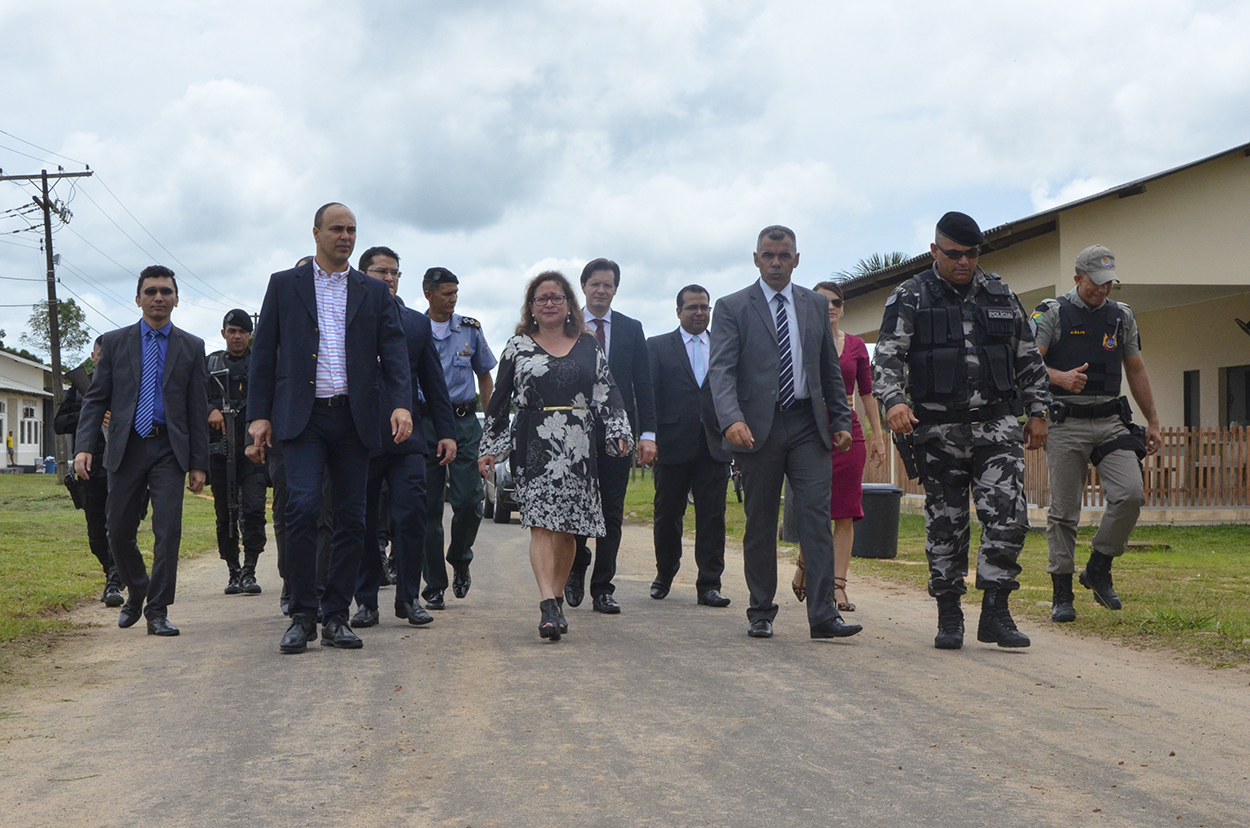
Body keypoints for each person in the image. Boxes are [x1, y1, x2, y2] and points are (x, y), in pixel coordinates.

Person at [873, 211, 1050, 650]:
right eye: (954, 254)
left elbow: (1028, 357)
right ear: (935, 250)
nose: (964, 262)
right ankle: (949, 613)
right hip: (939, 431)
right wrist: (894, 402)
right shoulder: (911, 296)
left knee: (1009, 517)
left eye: (971, 253)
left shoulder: (1000, 293)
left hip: (996, 427)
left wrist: (1039, 410)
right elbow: (888, 358)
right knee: (946, 526)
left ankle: (996, 612)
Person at [248, 203, 413, 654]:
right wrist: (259, 415)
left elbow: (394, 352)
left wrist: (401, 405)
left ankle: (337, 616)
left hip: (355, 417)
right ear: (316, 232)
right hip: (303, 418)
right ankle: (303, 615)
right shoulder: (285, 285)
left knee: (353, 518)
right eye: (337, 228)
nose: (345, 236)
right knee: (302, 509)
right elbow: (264, 353)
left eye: (352, 230)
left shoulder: (372, 291)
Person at [707, 225, 862, 641]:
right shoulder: (732, 307)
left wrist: (841, 421)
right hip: (757, 430)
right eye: (768, 255)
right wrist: (731, 419)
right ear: (756, 259)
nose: (776, 263)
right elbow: (721, 371)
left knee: (816, 517)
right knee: (760, 521)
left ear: (796, 259)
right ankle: (761, 611)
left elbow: (828, 369)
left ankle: (823, 615)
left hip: (809, 425)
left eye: (784, 255)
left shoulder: (815, 304)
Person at [479, 272, 634, 641]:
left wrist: (618, 430)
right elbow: (499, 400)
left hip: (578, 446)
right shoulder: (517, 346)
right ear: (531, 307)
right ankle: (547, 604)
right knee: (541, 525)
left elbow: (607, 391)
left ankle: (558, 597)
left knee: (567, 530)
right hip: (533, 443)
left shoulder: (588, 344)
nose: (549, 303)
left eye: (556, 297)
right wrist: (490, 448)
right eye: (541, 298)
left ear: (569, 304)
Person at [73, 265, 210, 637]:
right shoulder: (115, 343)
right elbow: (95, 399)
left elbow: (197, 407)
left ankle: (158, 610)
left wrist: (199, 463)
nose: (158, 298)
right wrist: (83, 447)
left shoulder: (191, 346)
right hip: (126, 446)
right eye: (151, 291)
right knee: (117, 530)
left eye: (166, 291)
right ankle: (137, 587)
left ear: (176, 299)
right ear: (138, 299)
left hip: (169, 449)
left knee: (168, 531)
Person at [1033, 244, 1162, 621]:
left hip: (1110, 420)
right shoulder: (1052, 313)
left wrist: (1153, 420)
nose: (1103, 290)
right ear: (1078, 278)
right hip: (1065, 421)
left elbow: (1135, 369)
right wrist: (1059, 379)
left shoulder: (1121, 316)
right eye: (1096, 282)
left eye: (1109, 283)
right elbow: (1026, 364)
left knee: (1130, 494)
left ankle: (1099, 567)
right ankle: (1062, 592)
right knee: (1064, 511)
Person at [349, 246, 457, 629]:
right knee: (361, 520)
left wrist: (447, 432)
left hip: (407, 440)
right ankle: (366, 601)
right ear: (361, 276)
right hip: (359, 438)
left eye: (394, 272)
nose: (389, 278)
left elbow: (434, 383)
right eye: (381, 272)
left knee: (411, 514)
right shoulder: (346, 320)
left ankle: (409, 597)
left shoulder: (415, 324)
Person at [566, 258, 657, 614]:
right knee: (576, 505)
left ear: (615, 289)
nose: (601, 290)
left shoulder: (632, 329)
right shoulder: (568, 326)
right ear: (584, 286)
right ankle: (576, 563)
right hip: (574, 429)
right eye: (595, 284)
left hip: (617, 431)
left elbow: (643, 385)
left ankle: (603, 586)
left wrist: (647, 433)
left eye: (608, 285)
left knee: (611, 510)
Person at [791, 281, 887, 611]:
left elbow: (867, 394)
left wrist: (878, 436)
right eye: (822, 302)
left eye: (835, 302)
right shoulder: (800, 341)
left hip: (848, 433)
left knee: (845, 512)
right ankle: (804, 564)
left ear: (843, 308)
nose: (829, 307)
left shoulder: (857, 346)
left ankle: (838, 586)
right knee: (813, 507)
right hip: (808, 432)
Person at [646, 284, 732, 608]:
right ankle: (665, 573)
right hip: (671, 443)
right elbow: (649, 395)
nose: (699, 313)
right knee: (668, 514)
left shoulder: (724, 345)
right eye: (692, 307)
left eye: (704, 307)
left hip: (714, 443)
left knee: (713, 516)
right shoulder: (657, 347)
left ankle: (709, 584)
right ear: (678, 311)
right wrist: (649, 437)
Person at [420, 266, 496, 609]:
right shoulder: (413, 329)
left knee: (468, 501)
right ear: (428, 294)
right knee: (428, 508)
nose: (452, 299)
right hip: (426, 424)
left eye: (455, 293)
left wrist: (492, 424)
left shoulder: (469, 329)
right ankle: (434, 584)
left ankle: (460, 558)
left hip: (464, 423)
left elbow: (485, 376)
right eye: (446, 293)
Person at [54, 337, 123, 607]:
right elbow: (60, 423)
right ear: (93, 357)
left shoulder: (128, 384)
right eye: (100, 355)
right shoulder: (80, 389)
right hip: (91, 470)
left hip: (122, 468)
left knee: (118, 528)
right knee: (96, 536)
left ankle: (114, 581)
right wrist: (91, 412)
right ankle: (115, 575)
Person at [207, 309, 267, 596]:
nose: (237, 336)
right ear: (223, 334)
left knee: (254, 508)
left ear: (250, 334)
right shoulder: (211, 363)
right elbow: (194, 395)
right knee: (225, 513)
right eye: (232, 331)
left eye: (243, 331)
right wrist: (210, 409)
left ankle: (250, 568)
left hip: (253, 449)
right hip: (220, 450)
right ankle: (233, 569)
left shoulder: (261, 362)